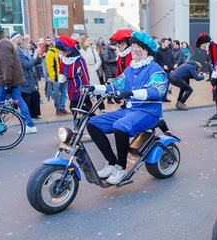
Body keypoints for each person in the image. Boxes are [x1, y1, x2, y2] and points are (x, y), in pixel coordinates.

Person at [86, 31, 168, 185]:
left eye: (137, 47)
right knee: (93, 123)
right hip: (129, 111)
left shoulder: (155, 69)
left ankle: (121, 168)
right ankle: (111, 162)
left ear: (145, 51)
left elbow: (156, 91)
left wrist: (132, 93)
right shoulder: (131, 69)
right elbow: (115, 85)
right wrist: (93, 88)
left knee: (120, 126)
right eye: (133, 46)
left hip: (148, 112)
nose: (133, 50)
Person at [0, 23, 37, 134]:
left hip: (5, 80)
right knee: (18, 100)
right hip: (8, 80)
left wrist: (7, 83)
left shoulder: (2, 44)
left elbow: (7, 64)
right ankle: (30, 125)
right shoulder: (2, 43)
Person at [195, 32, 217, 120]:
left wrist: (215, 77)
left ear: (204, 43)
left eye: (201, 45)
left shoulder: (213, 47)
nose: (202, 48)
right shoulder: (212, 47)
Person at [54, 36, 90, 111]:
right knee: (76, 106)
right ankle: (87, 117)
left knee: (73, 106)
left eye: (61, 50)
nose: (60, 53)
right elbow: (61, 71)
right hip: (70, 85)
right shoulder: (61, 57)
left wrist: (86, 88)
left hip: (78, 86)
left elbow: (85, 76)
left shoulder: (79, 60)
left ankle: (91, 116)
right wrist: (60, 83)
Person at [16, 35, 42, 119]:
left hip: (32, 78)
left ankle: (35, 115)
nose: (29, 44)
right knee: (27, 98)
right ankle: (28, 116)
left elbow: (36, 62)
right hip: (25, 78)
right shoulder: (19, 53)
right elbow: (27, 65)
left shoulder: (27, 51)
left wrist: (38, 56)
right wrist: (34, 56)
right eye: (27, 42)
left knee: (35, 96)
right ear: (23, 44)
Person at [46, 40, 69, 116]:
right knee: (57, 94)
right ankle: (58, 109)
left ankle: (62, 108)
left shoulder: (62, 51)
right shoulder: (51, 52)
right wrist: (52, 77)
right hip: (56, 77)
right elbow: (49, 66)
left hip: (63, 76)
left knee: (64, 93)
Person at [154, 38, 174, 102]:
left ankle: (164, 98)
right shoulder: (158, 51)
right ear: (162, 43)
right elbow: (156, 61)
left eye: (168, 43)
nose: (168, 44)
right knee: (162, 84)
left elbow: (172, 58)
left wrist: (174, 64)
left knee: (167, 84)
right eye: (166, 43)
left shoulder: (169, 50)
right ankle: (160, 97)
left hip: (169, 70)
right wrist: (163, 65)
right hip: (162, 71)